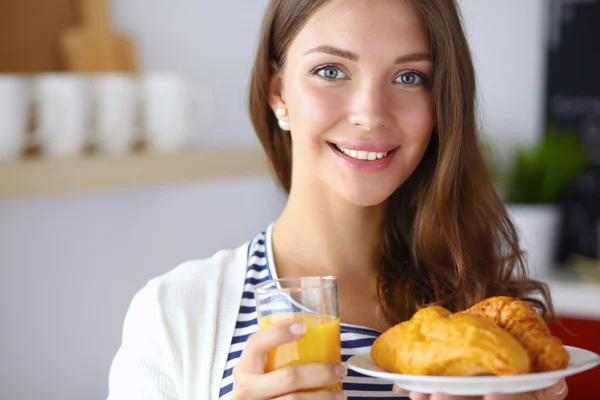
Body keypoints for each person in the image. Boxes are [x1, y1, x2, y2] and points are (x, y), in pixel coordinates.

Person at [106, 1, 569, 399]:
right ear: (277, 91)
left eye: (409, 77)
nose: (370, 114)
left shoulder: (498, 317)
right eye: (330, 71)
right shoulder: (176, 312)